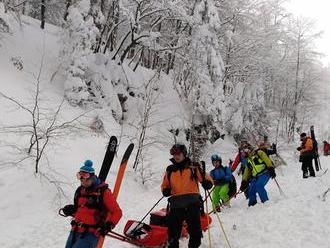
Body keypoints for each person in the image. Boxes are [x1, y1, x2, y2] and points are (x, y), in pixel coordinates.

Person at [161, 143, 213, 248]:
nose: (176, 156)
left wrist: (207, 182)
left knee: (195, 231)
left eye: (178, 153)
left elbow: (206, 179)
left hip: (192, 203)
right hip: (176, 204)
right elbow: (165, 185)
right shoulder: (170, 169)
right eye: (174, 154)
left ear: (184, 154)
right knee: (173, 232)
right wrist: (165, 190)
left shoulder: (193, 166)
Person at [61, 160, 122, 248]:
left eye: (84, 178)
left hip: (91, 233)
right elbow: (81, 210)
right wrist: (71, 210)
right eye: (80, 177)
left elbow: (117, 212)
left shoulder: (103, 192)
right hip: (75, 230)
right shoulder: (80, 191)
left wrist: (108, 225)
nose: (82, 182)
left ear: (92, 178)